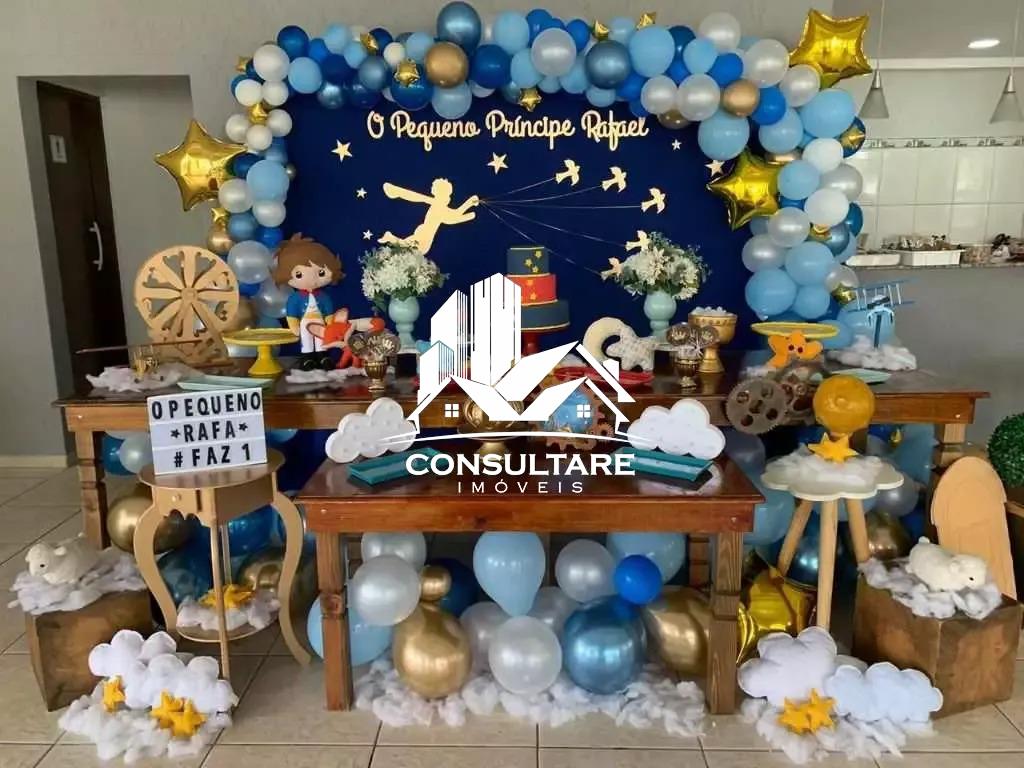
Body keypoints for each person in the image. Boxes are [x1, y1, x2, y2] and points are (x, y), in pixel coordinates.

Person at [273, 234, 344, 370]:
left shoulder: (324, 297)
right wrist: (294, 325)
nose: (312, 279)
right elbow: (292, 312)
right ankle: (308, 358)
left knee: (321, 339)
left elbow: (329, 312)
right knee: (306, 341)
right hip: (304, 323)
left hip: (320, 323)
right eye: (299, 274)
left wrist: (330, 324)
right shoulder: (295, 298)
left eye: (321, 273)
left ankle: (323, 357)